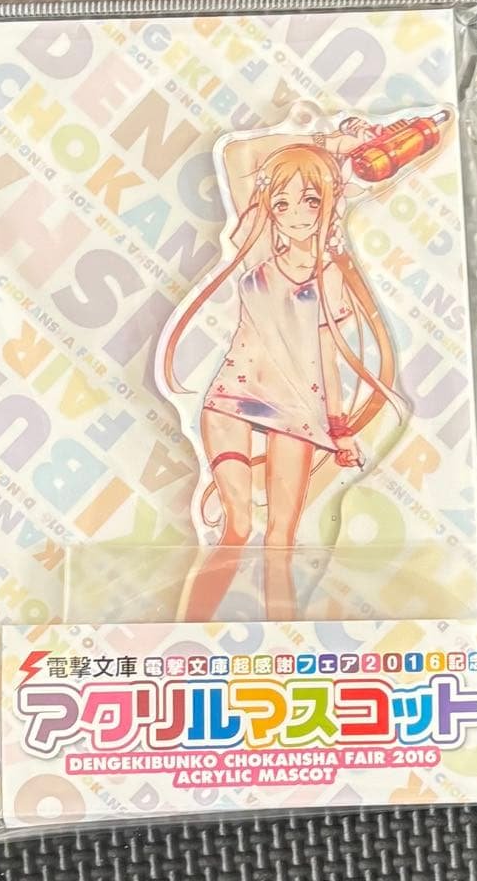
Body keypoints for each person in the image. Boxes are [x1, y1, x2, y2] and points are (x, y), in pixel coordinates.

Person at [159, 115, 400, 620]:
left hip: (297, 410)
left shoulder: (331, 275)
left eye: (309, 200)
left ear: (329, 201)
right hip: (233, 396)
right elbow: (238, 155)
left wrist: (339, 428)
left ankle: (282, 646)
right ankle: (189, 632)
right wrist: (332, 142)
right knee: (237, 527)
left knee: (280, 541)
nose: (294, 214)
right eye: (282, 202)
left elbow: (328, 356)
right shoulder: (259, 246)